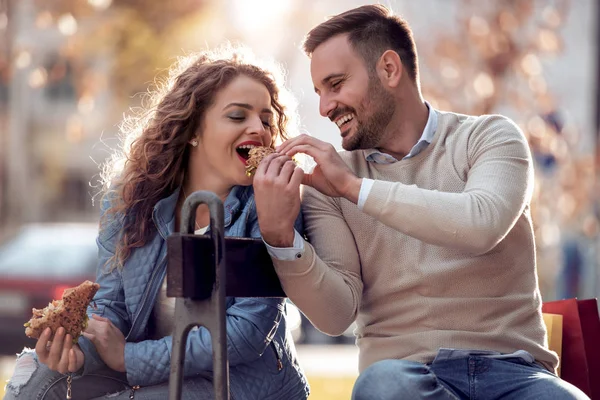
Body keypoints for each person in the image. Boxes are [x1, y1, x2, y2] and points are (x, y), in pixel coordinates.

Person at [252, 4, 589, 400]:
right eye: (319, 92)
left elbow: (480, 224)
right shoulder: (329, 187)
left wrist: (355, 188)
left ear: (389, 69)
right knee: (382, 386)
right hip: (405, 377)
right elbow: (335, 315)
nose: (325, 107)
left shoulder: (491, 138)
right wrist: (280, 239)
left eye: (336, 84)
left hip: (514, 373)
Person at [4, 46, 309, 400]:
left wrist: (129, 357)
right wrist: (77, 352)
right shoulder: (131, 202)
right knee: (37, 378)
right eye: (238, 116)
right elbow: (113, 306)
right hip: (147, 371)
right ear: (193, 128)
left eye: (267, 120)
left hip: (240, 382)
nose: (259, 129)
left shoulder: (269, 206)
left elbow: (247, 333)